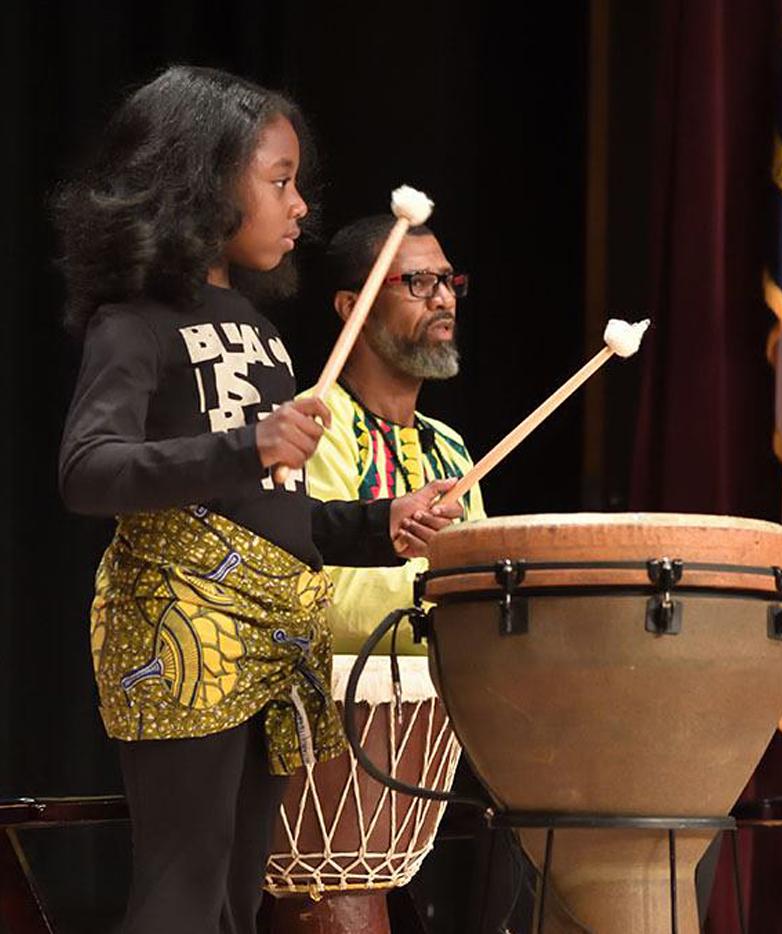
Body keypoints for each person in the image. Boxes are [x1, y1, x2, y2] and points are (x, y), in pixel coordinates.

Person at [54, 66, 461, 934]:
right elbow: (88, 469)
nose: (300, 205)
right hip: (183, 626)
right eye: (279, 182)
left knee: (240, 897)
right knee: (183, 889)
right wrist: (249, 444)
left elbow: (277, 516)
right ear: (202, 181)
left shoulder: (262, 330)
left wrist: (381, 525)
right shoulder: (135, 320)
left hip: (274, 634)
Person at [304, 214, 485, 657]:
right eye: (419, 282)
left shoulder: (448, 444)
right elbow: (323, 600)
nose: (443, 300)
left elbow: (481, 573)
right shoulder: (309, 426)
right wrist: (466, 594)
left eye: (448, 281)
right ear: (353, 307)